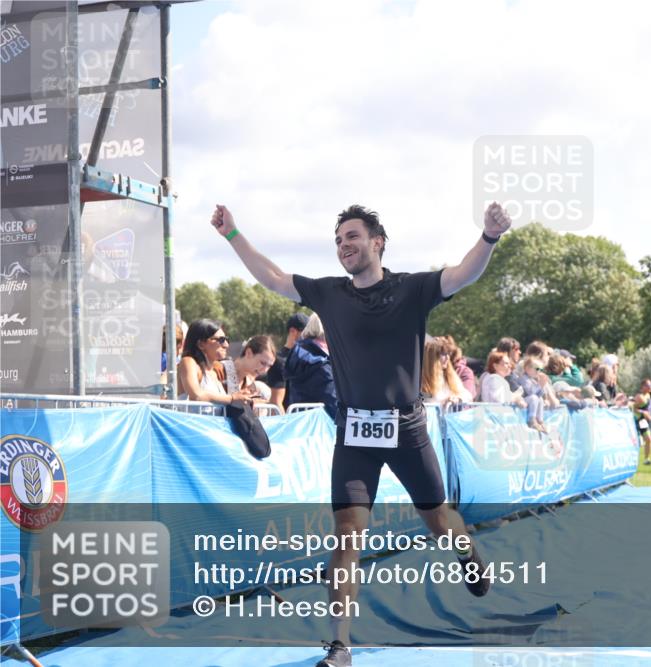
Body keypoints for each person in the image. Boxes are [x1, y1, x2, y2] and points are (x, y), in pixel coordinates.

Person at [212, 200, 512, 667]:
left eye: (352, 237)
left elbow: (461, 275)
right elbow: (272, 277)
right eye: (337, 241)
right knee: (347, 533)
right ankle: (340, 644)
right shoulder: (329, 294)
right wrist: (233, 234)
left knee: (439, 523)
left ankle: (467, 549)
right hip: (354, 432)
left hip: (407, 427)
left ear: (377, 242)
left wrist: (489, 236)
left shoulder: (413, 288)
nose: (343, 246)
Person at [177, 319, 256, 405]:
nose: (226, 345)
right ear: (201, 344)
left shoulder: (215, 371)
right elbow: (197, 396)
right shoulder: (188, 362)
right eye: (221, 340)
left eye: (227, 339)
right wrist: (232, 398)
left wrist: (242, 396)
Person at [285, 313, 338, 419]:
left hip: (300, 424)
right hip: (321, 428)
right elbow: (334, 405)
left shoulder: (297, 354)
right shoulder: (321, 366)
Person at [265, 312, 309, 413]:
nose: (309, 337)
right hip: (289, 421)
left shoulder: (308, 359)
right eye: (305, 333)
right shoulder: (278, 361)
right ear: (293, 331)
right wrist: (286, 425)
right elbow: (276, 402)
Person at [221, 335, 277, 402]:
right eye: (262, 363)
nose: (265, 370)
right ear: (249, 353)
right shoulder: (220, 369)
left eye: (269, 366)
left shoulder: (250, 383)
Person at [421, 337, 473, 407]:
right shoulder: (420, 381)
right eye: (443, 354)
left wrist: (458, 398)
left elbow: (468, 396)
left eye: (448, 354)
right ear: (432, 357)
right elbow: (426, 400)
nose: (448, 357)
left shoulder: (450, 377)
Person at [633, 378, 651, 465]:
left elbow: (646, 408)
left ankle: (647, 459)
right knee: (635, 442)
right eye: (648, 386)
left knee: (649, 439)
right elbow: (632, 408)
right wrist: (643, 412)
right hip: (636, 420)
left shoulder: (648, 395)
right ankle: (632, 460)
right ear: (643, 386)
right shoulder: (639, 397)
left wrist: (648, 414)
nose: (650, 387)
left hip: (643, 421)